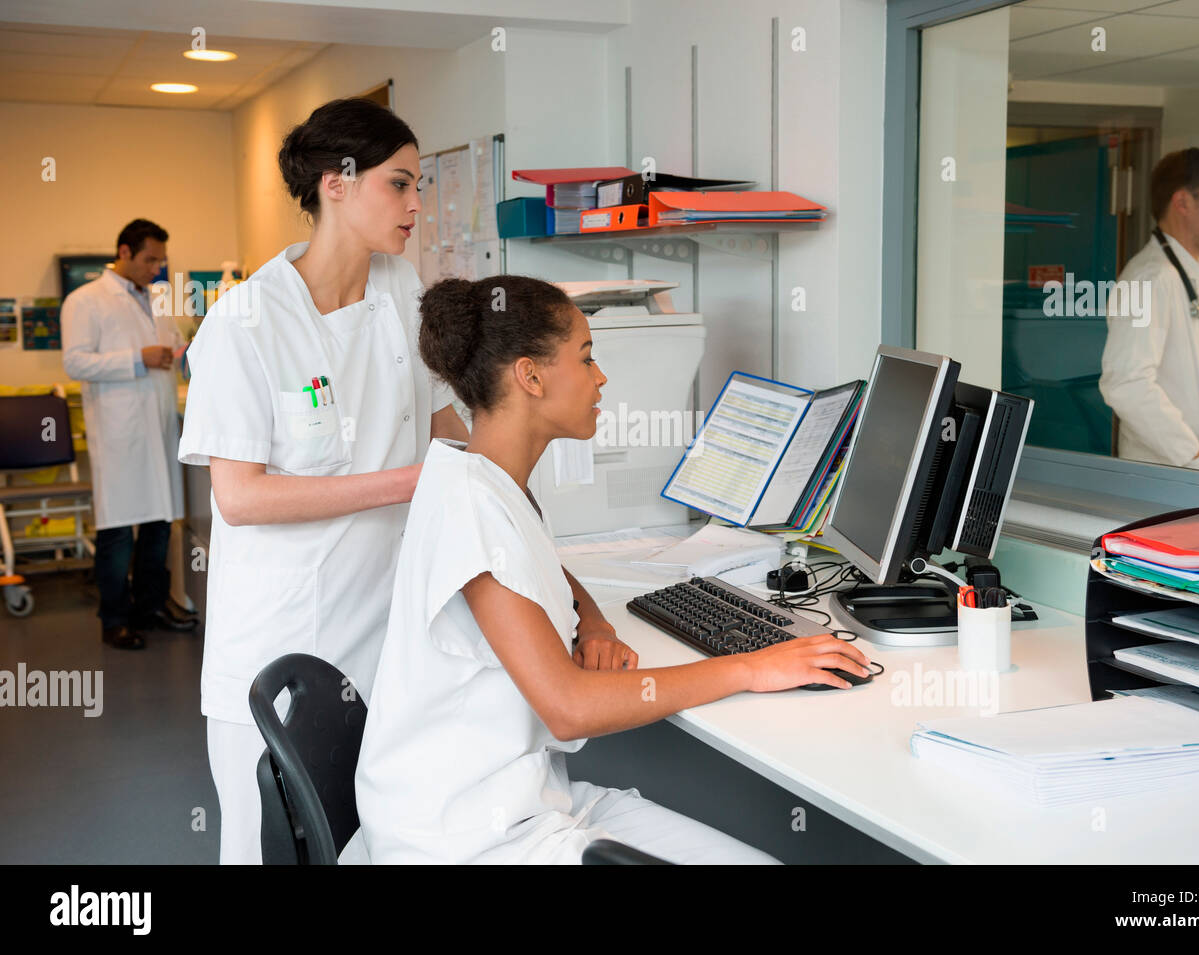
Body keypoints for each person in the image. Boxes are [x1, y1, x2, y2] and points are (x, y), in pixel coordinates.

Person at [355, 275, 872, 864]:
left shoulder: (483, 477)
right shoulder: (475, 507)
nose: (600, 378)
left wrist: (594, 623)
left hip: (519, 799)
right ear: (531, 376)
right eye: (587, 357)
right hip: (464, 837)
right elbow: (570, 706)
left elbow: (542, 566)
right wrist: (750, 668)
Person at [177, 98, 468, 864]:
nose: (416, 205)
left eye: (420, 186)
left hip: (386, 637)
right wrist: (409, 483)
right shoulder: (245, 323)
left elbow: (448, 430)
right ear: (336, 185)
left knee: (375, 843)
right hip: (281, 645)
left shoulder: (404, 289)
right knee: (269, 848)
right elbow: (240, 497)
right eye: (399, 184)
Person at [61, 219, 197, 650]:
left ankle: (150, 608)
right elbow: (76, 363)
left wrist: (184, 351)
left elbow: (173, 345)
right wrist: (136, 359)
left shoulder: (156, 298)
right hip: (120, 433)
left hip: (157, 427)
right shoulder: (86, 301)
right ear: (124, 252)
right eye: (149, 259)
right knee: (119, 531)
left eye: (161, 260)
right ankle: (115, 619)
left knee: (159, 525)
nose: (156, 269)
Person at [1099, 147, 1199, 475]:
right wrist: (1196, 458)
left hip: (1198, 483)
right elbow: (1126, 384)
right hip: (1177, 481)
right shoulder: (1149, 278)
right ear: (1183, 202)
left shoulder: (1181, 274)